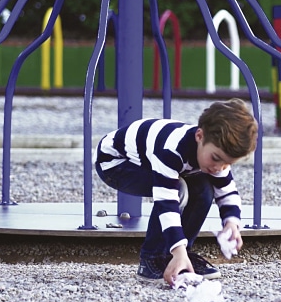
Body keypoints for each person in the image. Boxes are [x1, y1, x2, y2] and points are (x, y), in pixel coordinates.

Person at [94, 98, 258, 285]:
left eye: (228, 163)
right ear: (199, 136)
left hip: (148, 162)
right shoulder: (172, 150)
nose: (219, 167)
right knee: (178, 189)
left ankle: (181, 256)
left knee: (204, 189)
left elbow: (226, 191)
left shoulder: (215, 155)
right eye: (216, 158)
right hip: (115, 164)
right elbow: (166, 203)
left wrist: (231, 224)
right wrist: (176, 250)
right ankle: (151, 259)